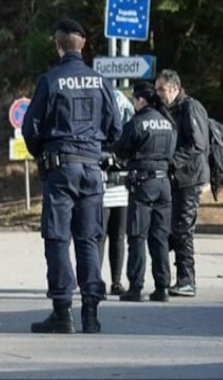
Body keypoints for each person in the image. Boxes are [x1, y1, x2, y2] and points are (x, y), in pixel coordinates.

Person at [22, 18, 122, 334]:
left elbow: (30, 127)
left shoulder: (50, 81)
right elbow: (116, 128)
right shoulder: (101, 81)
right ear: (83, 44)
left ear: (58, 44)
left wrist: (43, 154)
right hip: (92, 168)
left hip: (61, 168)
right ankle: (90, 314)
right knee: (89, 238)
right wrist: (95, 146)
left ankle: (62, 311)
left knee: (57, 237)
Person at [111, 83, 177, 303]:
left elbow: (120, 150)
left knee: (137, 237)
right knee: (160, 238)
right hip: (164, 184)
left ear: (140, 100)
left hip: (143, 184)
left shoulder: (137, 122)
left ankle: (136, 287)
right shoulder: (168, 122)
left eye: (135, 100)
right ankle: (162, 287)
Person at [154, 69, 209, 297]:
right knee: (172, 229)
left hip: (190, 178)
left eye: (161, 89)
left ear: (175, 88)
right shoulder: (168, 110)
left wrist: (171, 163)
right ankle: (173, 277)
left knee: (183, 230)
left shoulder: (190, 107)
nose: (158, 94)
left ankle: (187, 279)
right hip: (176, 178)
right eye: (156, 89)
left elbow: (197, 144)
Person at [98, 87, 135, 297]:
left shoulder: (129, 131)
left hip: (121, 190)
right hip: (102, 189)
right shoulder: (98, 129)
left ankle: (116, 281)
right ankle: (97, 281)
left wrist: (118, 162)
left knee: (118, 237)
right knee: (99, 237)